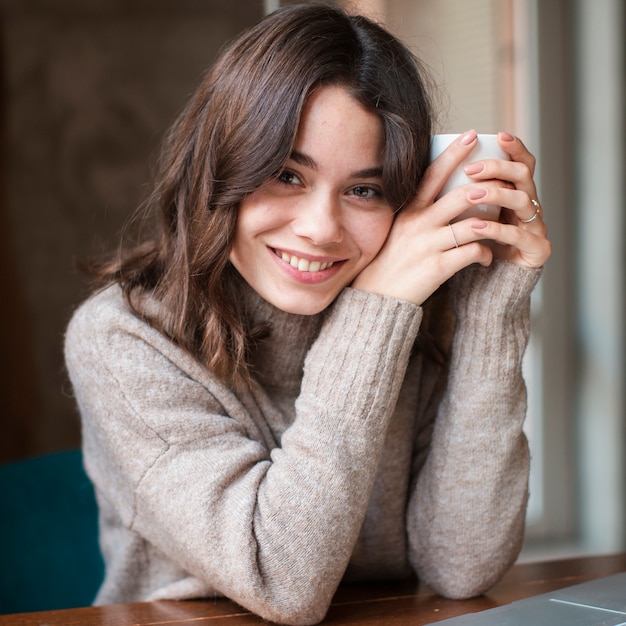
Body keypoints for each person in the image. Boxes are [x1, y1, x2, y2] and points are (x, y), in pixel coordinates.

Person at [64, 3, 551, 625]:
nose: (321, 229)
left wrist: (492, 301)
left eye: (365, 190)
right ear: (219, 166)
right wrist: (374, 315)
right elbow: (281, 580)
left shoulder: (417, 311)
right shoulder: (122, 336)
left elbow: (462, 568)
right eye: (287, 174)